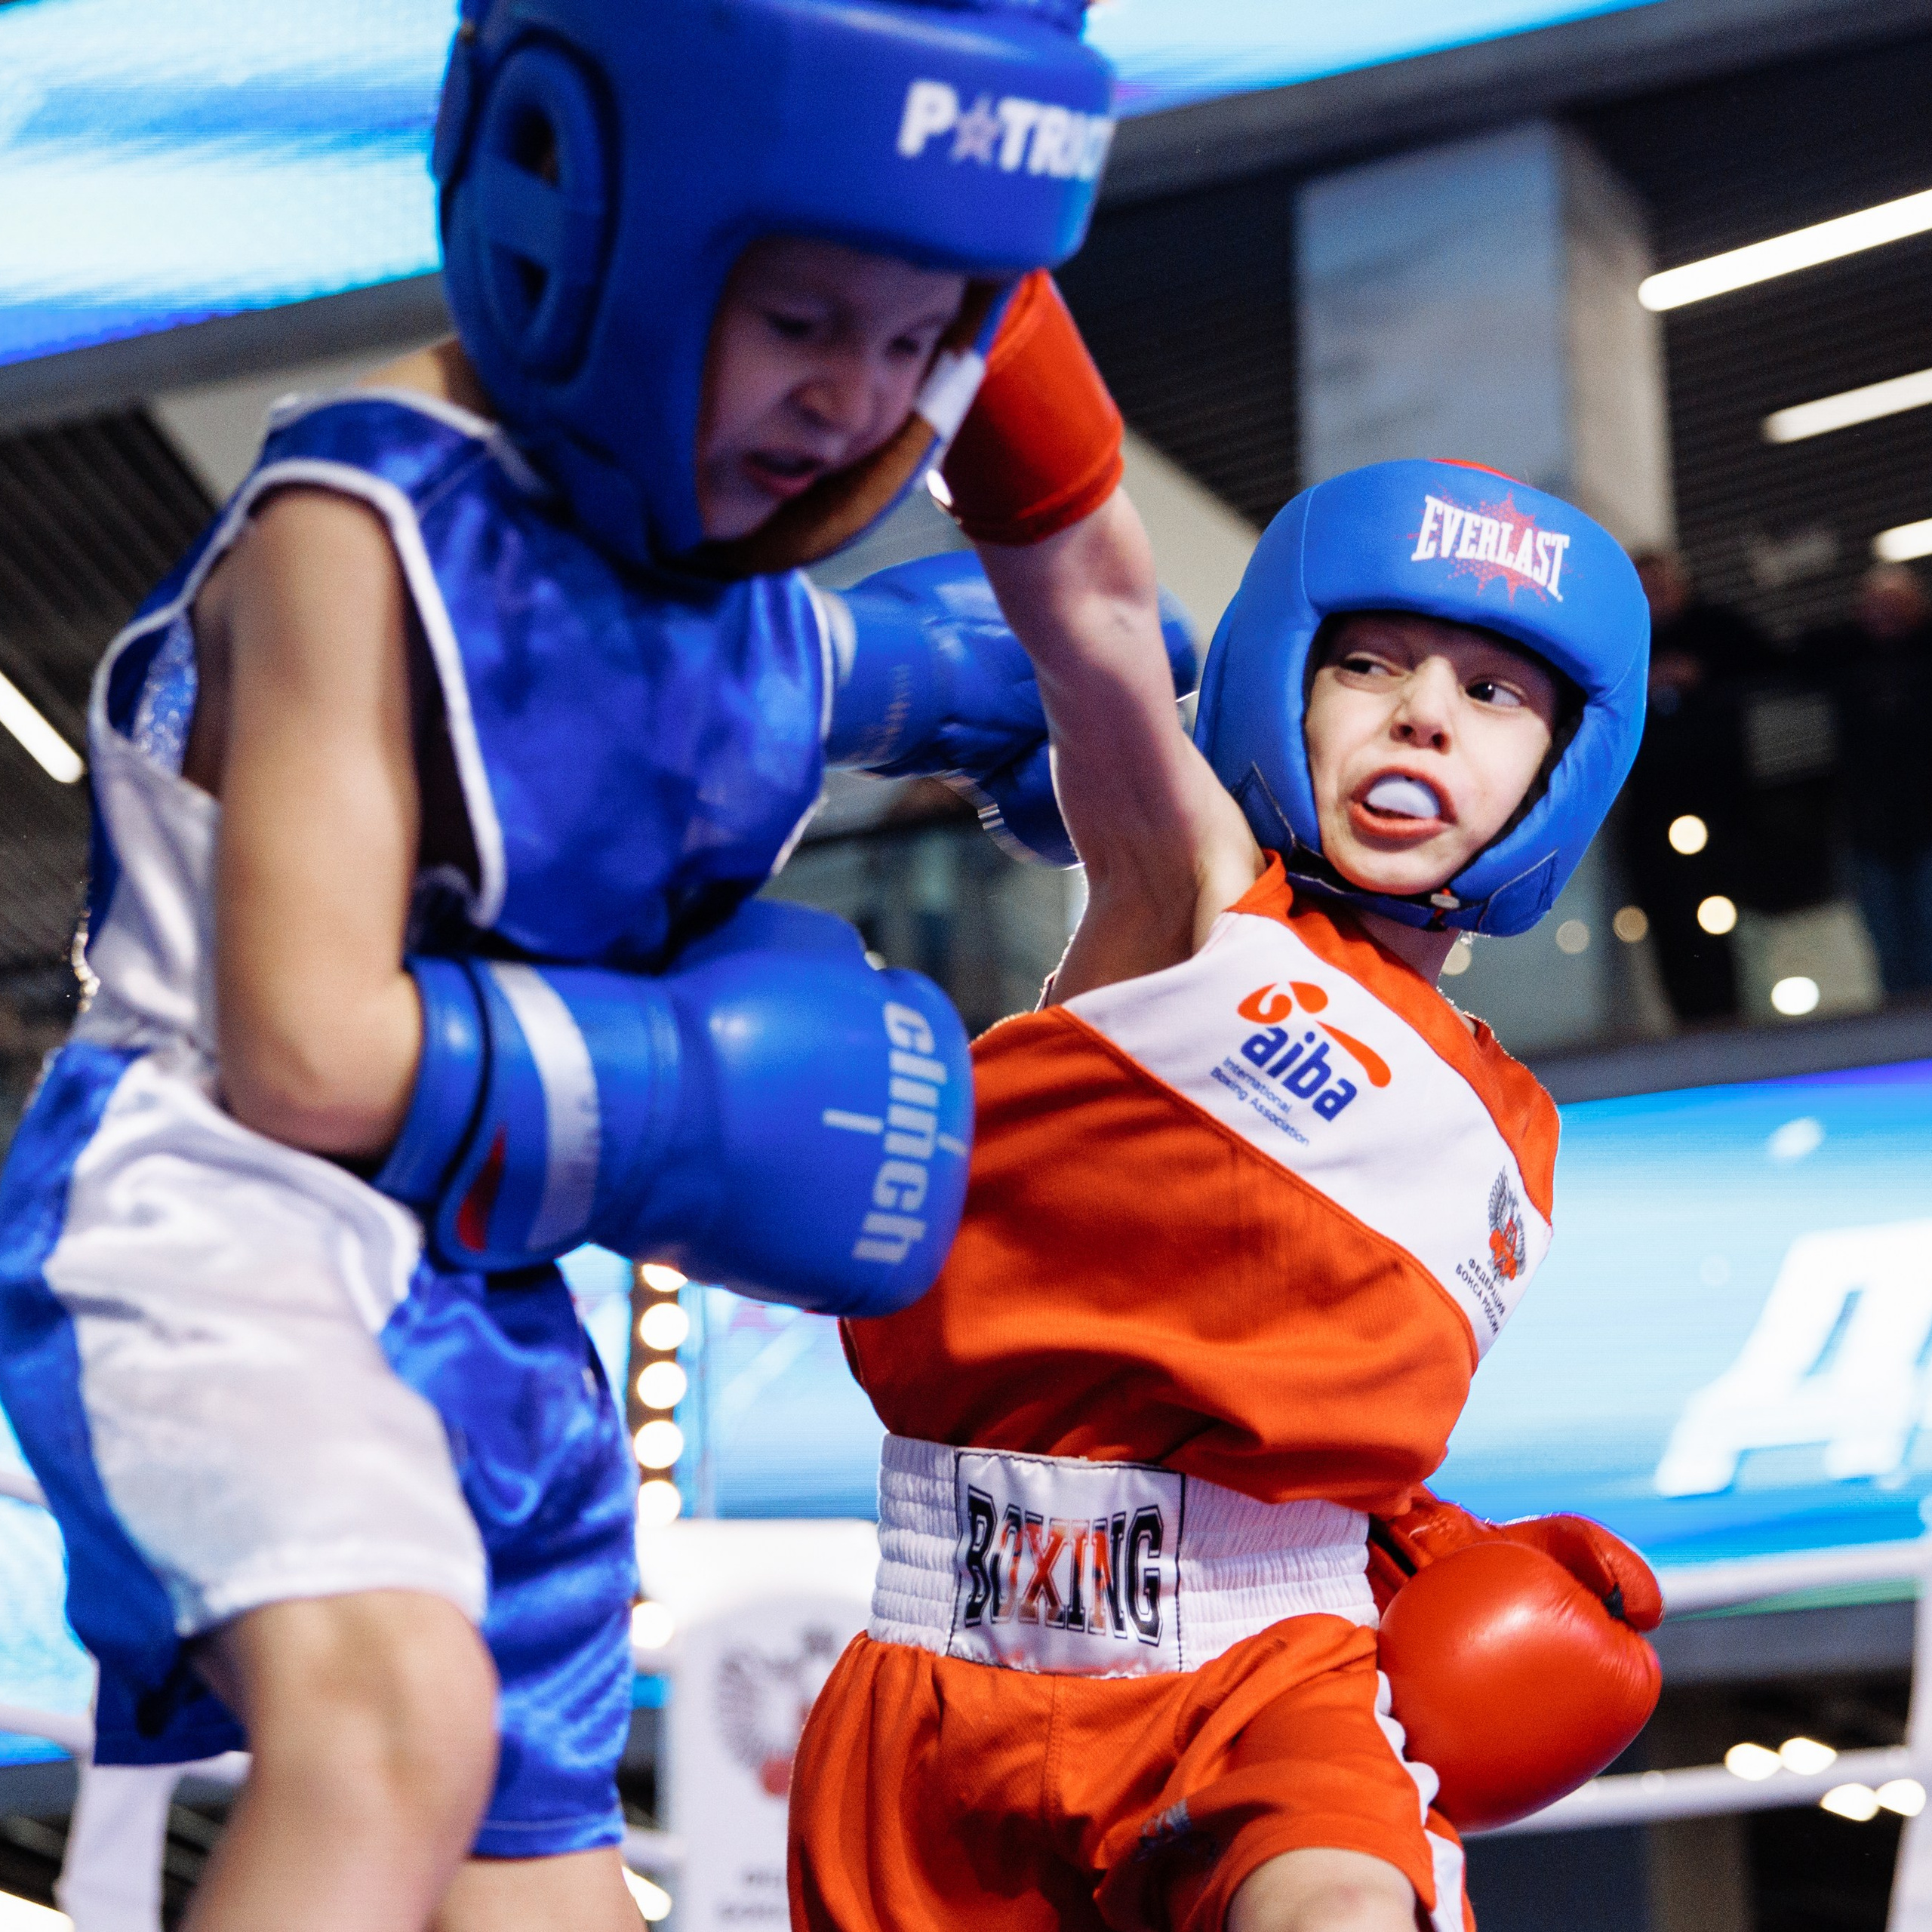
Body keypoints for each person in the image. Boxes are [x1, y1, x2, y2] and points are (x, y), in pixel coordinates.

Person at [0, 2, 1178, 1927]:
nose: (852, 396)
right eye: (803, 323)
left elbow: (851, 674)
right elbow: (301, 1048)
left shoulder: (718, 599)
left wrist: (1034, 701)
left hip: (487, 1295)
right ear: (598, 232)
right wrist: (690, 1101)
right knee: (389, 1729)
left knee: (547, 1881)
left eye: (911, 342)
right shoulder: (348, 531)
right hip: (219, 1228)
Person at [792, 460, 1660, 1932]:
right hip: (937, 1661)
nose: (1423, 715)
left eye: (1494, 693)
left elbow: (1295, 1374)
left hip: (1256, 1670)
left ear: (1560, 765)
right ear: (1281, 684)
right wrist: (981, 305)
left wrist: (1416, 1544)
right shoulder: (1187, 902)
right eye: (1369, 664)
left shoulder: (1514, 1130)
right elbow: (1088, 615)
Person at [1614, 549, 1766, 1023]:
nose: (1653, 597)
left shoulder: (1717, 631)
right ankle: (1692, 1024)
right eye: (1642, 588)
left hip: (1722, 807)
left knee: (1729, 917)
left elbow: (1772, 666)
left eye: (1659, 584)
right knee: (1668, 926)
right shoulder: (1622, 647)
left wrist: (1702, 675)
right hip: (1649, 812)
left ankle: (1744, 1016)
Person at [1803, 562, 1932, 995]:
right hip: (1870, 829)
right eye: (1877, 605)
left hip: (1924, 821)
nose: (1887, 615)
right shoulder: (1846, 658)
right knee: (1890, 952)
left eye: (1897, 604)